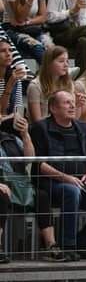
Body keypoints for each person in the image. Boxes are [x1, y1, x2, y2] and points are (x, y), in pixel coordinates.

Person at [30, 91, 86, 262]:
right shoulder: (40, 128)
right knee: (71, 191)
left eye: (73, 102)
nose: (72, 106)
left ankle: (80, 243)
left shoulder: (82, 128)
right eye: (66, 103)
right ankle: (67, 246)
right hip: (51, 183)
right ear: (53, 108)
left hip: (81, 181)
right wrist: (65, 177)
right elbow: (39, 164)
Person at [0, 112, 35, 265]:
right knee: (2, 197)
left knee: (42, 196)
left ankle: (51, 246)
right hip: (3, 187)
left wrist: (25, 134)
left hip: (16, 185)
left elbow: (30, 158)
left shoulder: (11, 138)